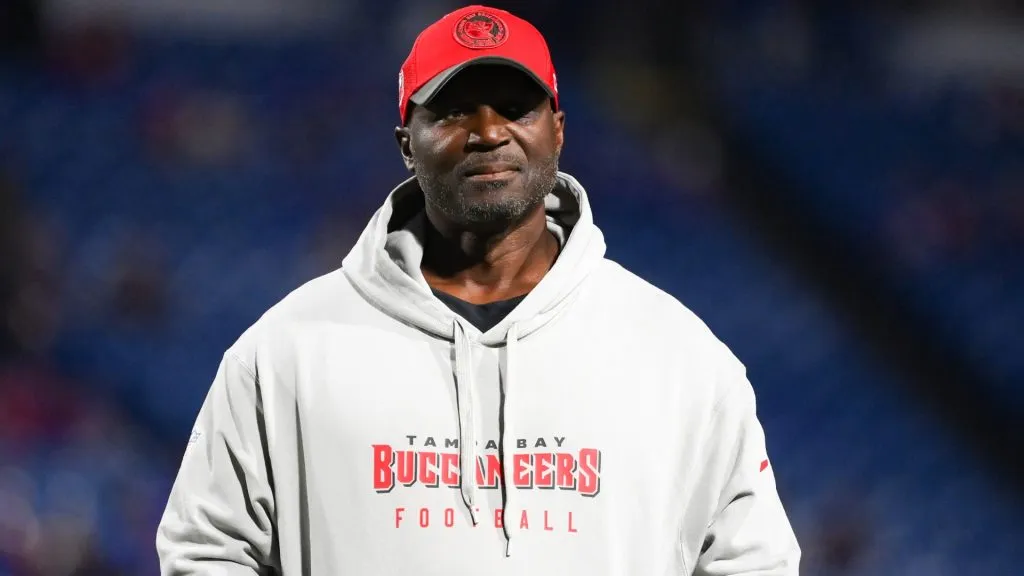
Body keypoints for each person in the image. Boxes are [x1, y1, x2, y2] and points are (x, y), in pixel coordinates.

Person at [156, 4, 800, 575]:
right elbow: (205, 551)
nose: (489, 131)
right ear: (406, 143)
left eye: (516, 107)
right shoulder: (283, 354)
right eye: (455, 109)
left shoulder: (679, 357)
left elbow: (753, 561)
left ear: (558, 130)